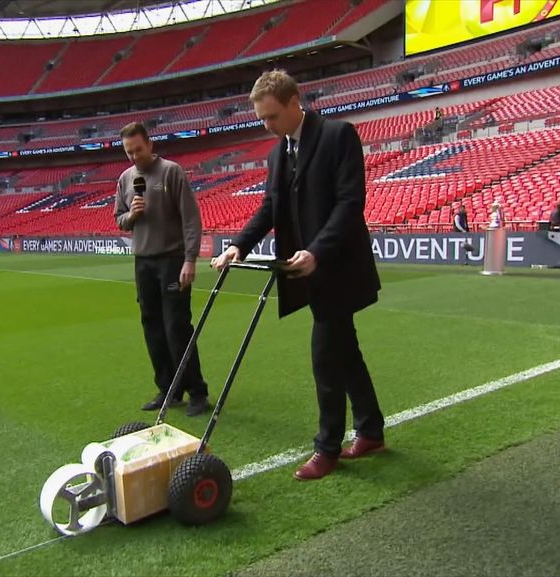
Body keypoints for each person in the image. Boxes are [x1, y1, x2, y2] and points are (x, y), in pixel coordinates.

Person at [211, 70, 384, 481]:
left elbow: (349, 203)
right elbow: (270, 207)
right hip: (306, 270)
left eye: (272, 116)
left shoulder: (338, 135)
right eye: (262, 119)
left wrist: (317, 251)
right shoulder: (278, 155)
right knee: (345, 351)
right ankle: (371, 430)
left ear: (294, 103)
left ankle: (327, 447)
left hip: (339, 268)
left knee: (326, 357)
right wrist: (239, 245)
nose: (267, 125)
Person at [114, 122, 210, 417]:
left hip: (172, 260)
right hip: (143, 262)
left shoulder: (171, 172)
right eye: (129, 152)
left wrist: (190, 259)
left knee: (176, 327)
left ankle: (197, 392)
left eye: (138, 150)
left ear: (150, 145)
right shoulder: (125, 179)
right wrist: (131, 215)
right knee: (152, 328)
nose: (134, 156)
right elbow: (119, 219)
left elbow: (190, 219)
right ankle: (169, 389)